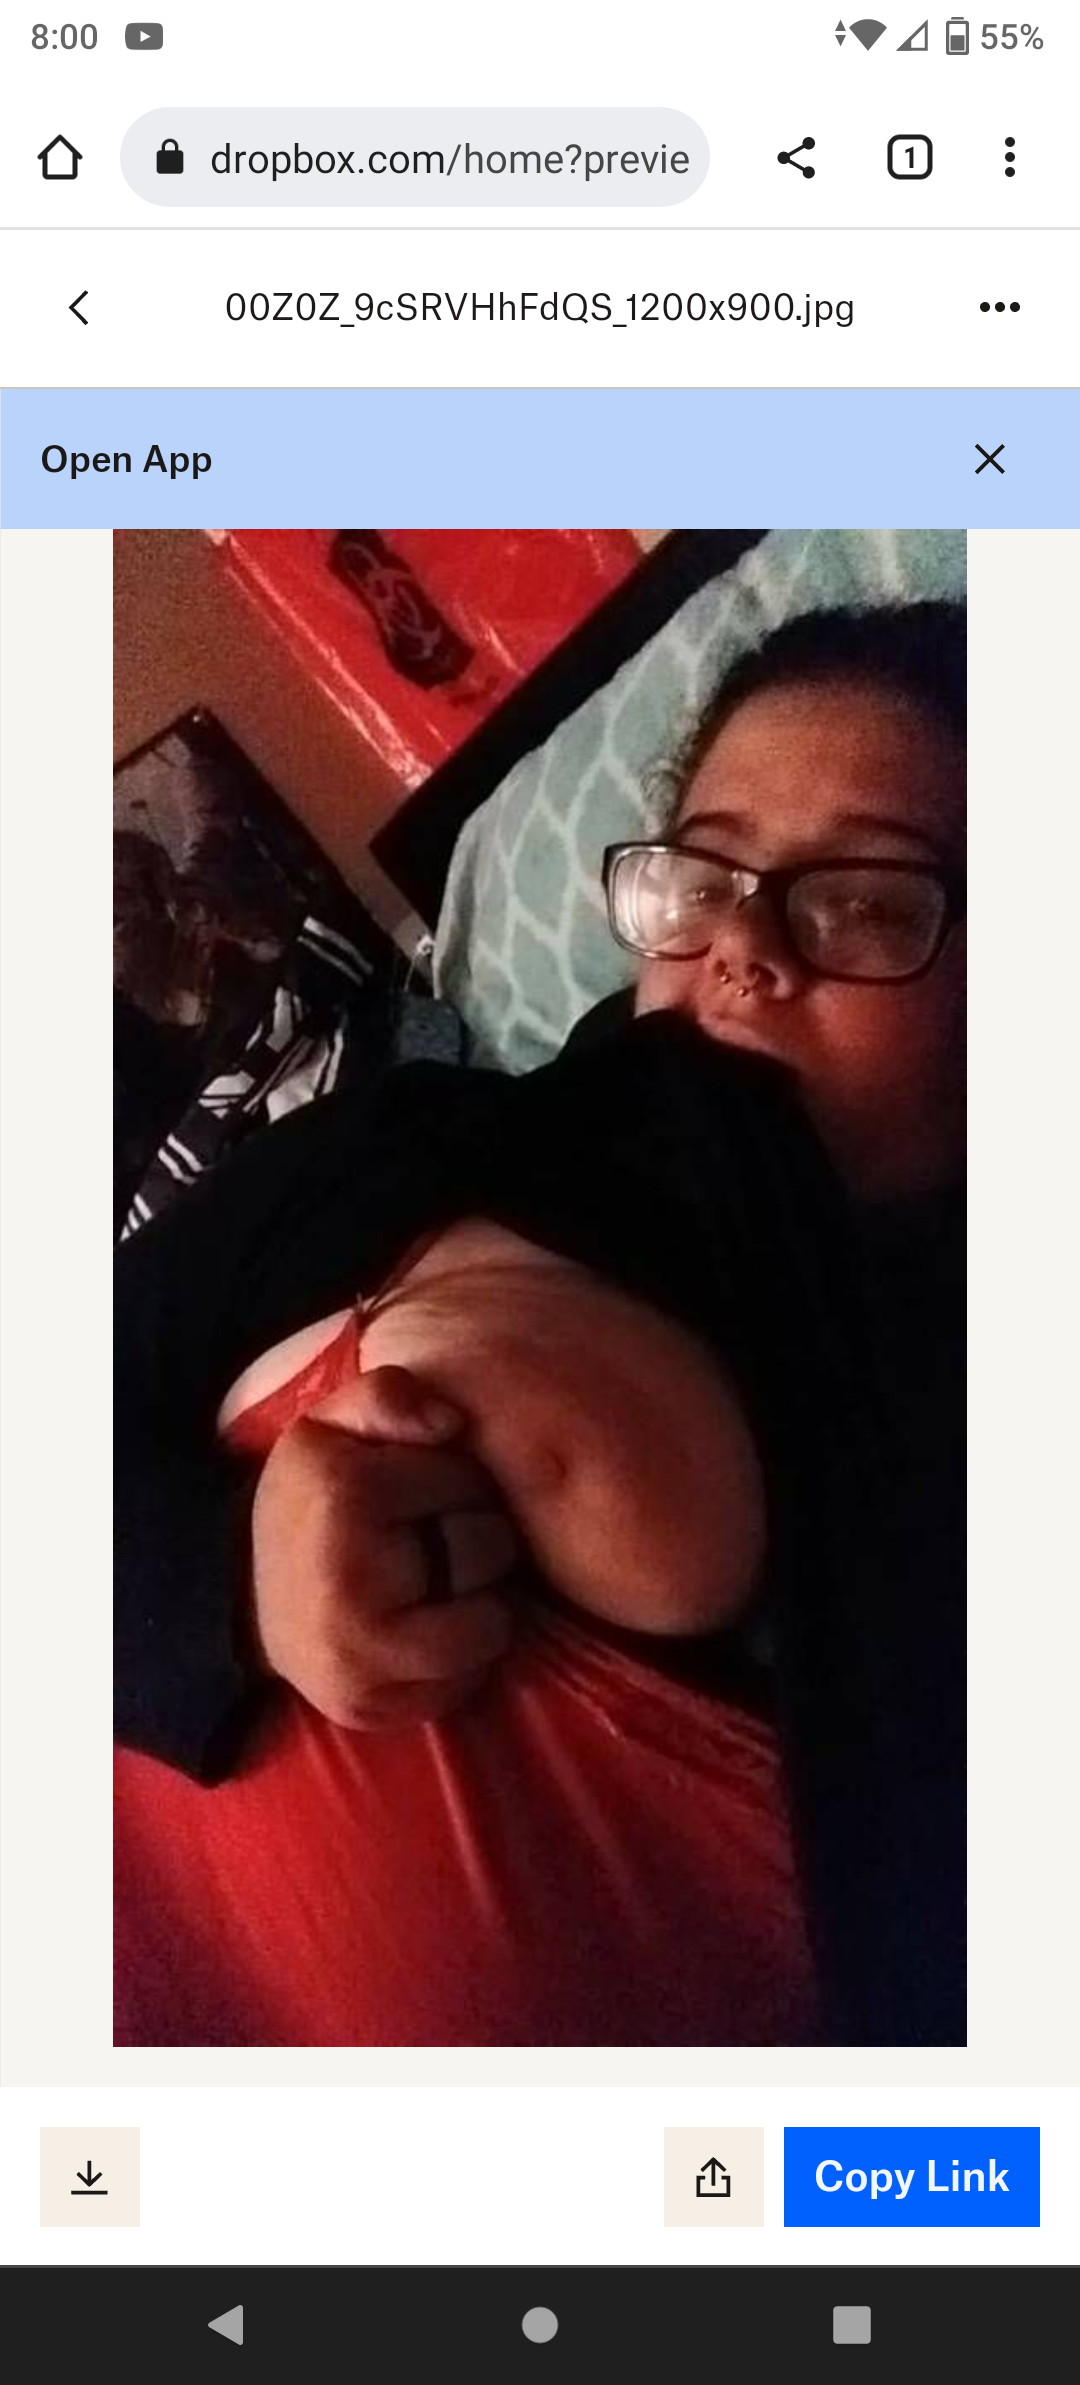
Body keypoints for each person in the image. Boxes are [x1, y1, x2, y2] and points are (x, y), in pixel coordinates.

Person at [114, 603, 966, 2047]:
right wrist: (225, 1588)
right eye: (704, 876)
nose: (740, 944)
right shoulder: (406, 1138)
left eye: (867, 901)